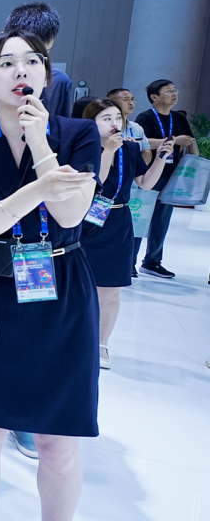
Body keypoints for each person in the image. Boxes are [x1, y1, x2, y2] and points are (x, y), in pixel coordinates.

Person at [0, 29, 99, 521]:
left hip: (62, 293)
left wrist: (39, 141)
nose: (21, 70)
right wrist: (39, 188)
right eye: (6, 62)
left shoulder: (78, 134)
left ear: (46, 75)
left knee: (57, 442)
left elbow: (70, 214)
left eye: (32, 61)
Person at [80, 98, 172, 369]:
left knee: (111, 290)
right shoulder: (81, 146)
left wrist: (160, 159)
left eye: (117, 118)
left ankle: (101, 344)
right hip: (84, 220)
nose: (114, 124)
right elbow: (95, 182)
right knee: (79, 286)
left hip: (118, 221)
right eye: (106, 118)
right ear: (91, 123)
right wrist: (108, 150)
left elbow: (145, 183)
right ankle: (76, 339)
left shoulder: (130, 149)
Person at [133, 79, 196, 279]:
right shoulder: (145, 117)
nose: (174, 94)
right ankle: (129, 262)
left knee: (162, 220)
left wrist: (194, 163)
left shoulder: (178, 118)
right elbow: (142, 142)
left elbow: (190, 141)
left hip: (171, 175)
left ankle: (152, 262)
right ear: (154, 97)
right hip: (149, 175)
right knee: (140, 218)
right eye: (169, 91)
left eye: (175, 90)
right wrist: (174, 141)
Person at [0, 2, 74, 118]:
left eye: (41, 54)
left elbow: (62, 126)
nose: (24, 70)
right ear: (2, 38)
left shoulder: (59, 81)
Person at [106, 88, 152, 165]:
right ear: (112, 103)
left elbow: (146, 150)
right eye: (126, 99)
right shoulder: (107, 127)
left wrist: (138, 168)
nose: (131, 103)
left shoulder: (136, 127)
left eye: (132, 99)